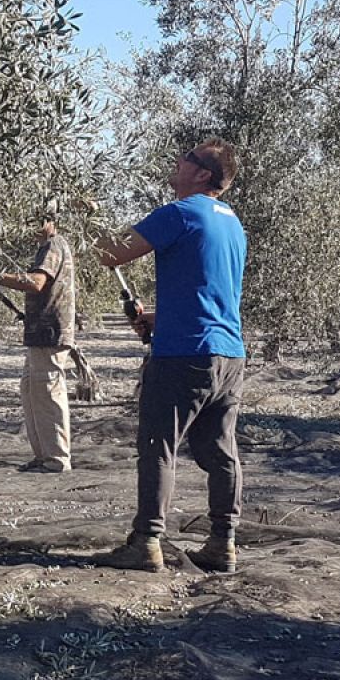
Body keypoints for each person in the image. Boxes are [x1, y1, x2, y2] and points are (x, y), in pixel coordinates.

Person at [91, 138, 247, 573]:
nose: (178, 161)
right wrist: (158, 318)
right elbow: (212, 295)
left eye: (187, 158)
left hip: (183, 356)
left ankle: (146, 542)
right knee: (221, 452)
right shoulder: (233, 224)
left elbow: (109, 254)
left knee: (157, 446)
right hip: (228, 356)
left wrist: (90, 221)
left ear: (202, 174)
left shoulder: (180, 213)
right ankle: (223, 543)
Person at [0, 214, 77, 473]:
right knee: (32, 392)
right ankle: (44, 456)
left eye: (36, 220)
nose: (30, 226)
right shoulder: (46, 247)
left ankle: (56, 460)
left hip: (50, 333)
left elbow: (36, 283)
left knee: (48, 394)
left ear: (50, 220)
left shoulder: (54, 245)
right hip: (40, 333)